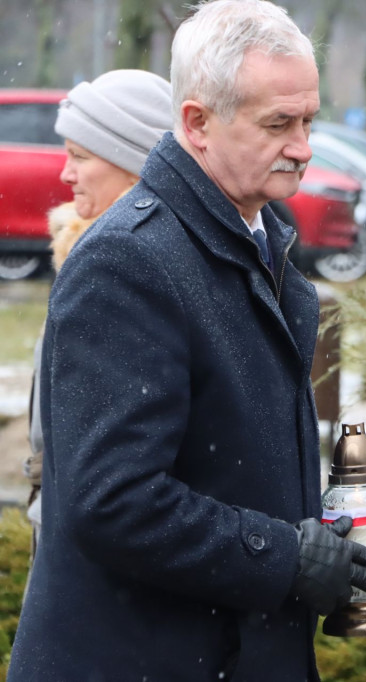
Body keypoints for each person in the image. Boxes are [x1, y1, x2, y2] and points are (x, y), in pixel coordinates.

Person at [8, 1, 366, 680]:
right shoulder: (128, 263)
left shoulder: (257, 242)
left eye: (307, 120)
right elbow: (114, 501)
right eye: (278, 124)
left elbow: (242, 472)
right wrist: (285, 559)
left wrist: (338, 545)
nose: (304, 146)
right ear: (196, 122)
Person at [22, 68, 174, 581]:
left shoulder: (123, 274)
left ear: (135, 171)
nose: (66, 174)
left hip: (92, 559)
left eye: (80, 157)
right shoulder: (85, 255)